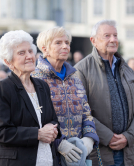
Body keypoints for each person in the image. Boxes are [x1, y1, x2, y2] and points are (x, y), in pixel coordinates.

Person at [75, 19, 134, 166]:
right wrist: (109, 137)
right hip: (100, 153)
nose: (113, 39)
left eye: (115, 35)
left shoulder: (126, 68)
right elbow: (81, 111)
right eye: (107, 36)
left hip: (128, 152)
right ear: (93, 41)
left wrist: (129, 137)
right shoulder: (81, 69)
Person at [0, 30, 62, 166]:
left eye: (30, 51)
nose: (29, 56)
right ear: (8, 61)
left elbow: (53, 120)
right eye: (21, 53)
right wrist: (38, 133)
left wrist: (51, 128)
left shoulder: (42, 86)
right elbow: (1, 132)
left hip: (47, 159)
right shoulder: (3, 88)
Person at [31, 27, 100, 164]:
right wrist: (59, 143)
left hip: (77, 153)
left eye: (67, 43)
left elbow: (86, 112)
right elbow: (34, 120)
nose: (65, 46)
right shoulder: (34, 78)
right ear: (45, 49)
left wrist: (89, 138)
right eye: (58, 43)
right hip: (48, 154)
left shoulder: (74, 77)